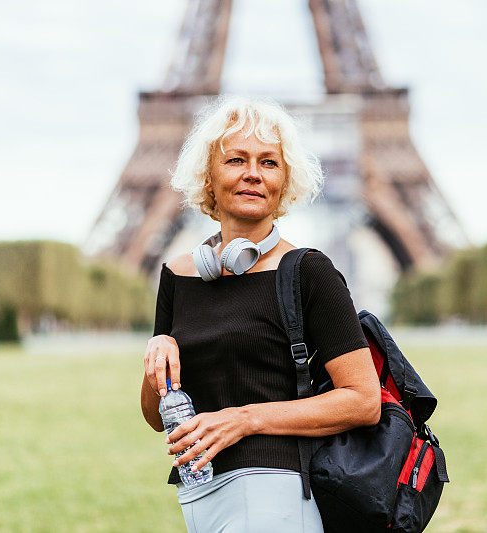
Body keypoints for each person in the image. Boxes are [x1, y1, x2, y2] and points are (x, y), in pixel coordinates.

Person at [140, 95, 381, 532]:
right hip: (198, 493)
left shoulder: (309, 272)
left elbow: (363, 402)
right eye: (236, 159)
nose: (253, 173)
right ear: (208, 177)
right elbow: (157, 416)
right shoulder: (178, 275)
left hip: (276, 491)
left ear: (285, 181)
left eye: (269, 162)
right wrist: (157, 351)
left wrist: (245, 419)